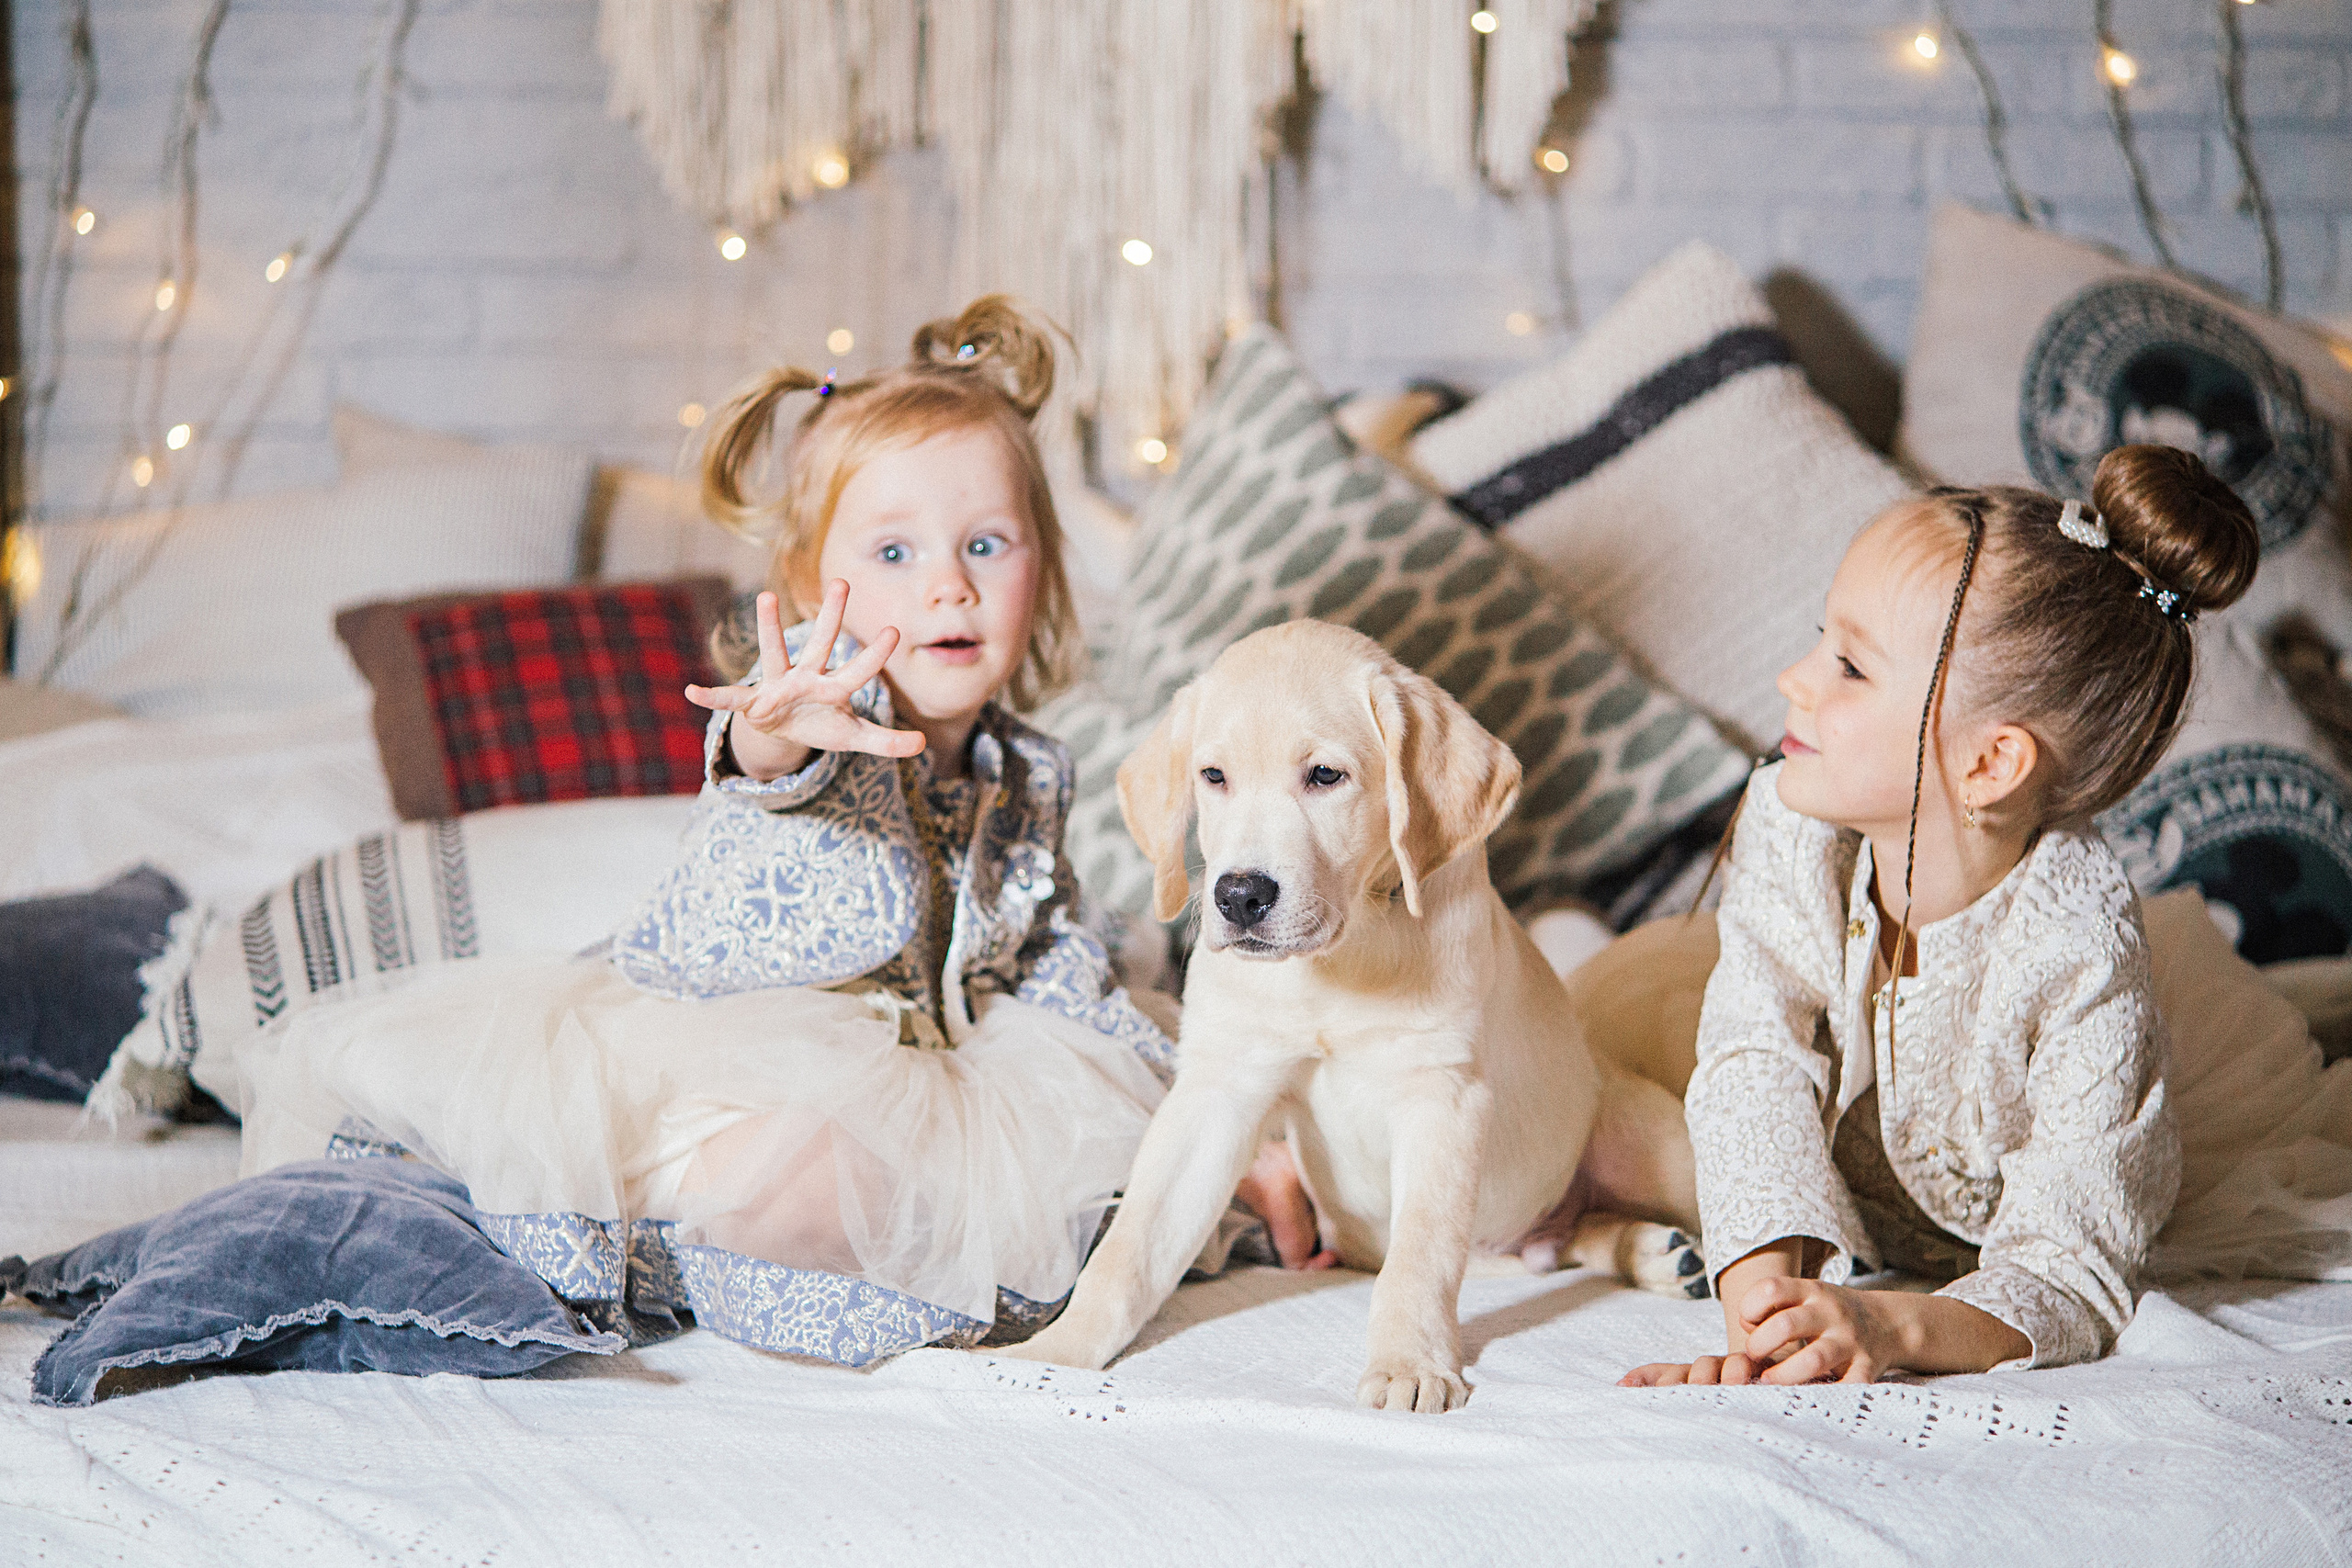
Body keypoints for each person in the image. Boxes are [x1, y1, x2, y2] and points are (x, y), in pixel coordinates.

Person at [235, 298, 1180, 1356]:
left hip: (927, 1078)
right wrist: (781, 743)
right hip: (735, 1067)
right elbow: (765, 782)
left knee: (1104, 1158)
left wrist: (1157, 1097)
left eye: (986, 544)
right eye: (896, 553)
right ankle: (645, 1238)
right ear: (811, 591)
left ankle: (733, 1244)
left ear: (1042, 563)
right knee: (809, 1172)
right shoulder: (829, 722)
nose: (951, 584)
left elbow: (1043, 950)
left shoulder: (1025, 769)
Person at [1623, 445, 2352, 1387]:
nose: (1792, 680)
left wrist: (1887, 1329)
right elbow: (1754, 1056)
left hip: (2036, 1188)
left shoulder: (2078, 949)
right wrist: (1766, 1310)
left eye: (1848, 665)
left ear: (1989, 765)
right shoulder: (1791, 822)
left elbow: (2069, 1268)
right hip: (1862, 1180)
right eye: (1819, 639)